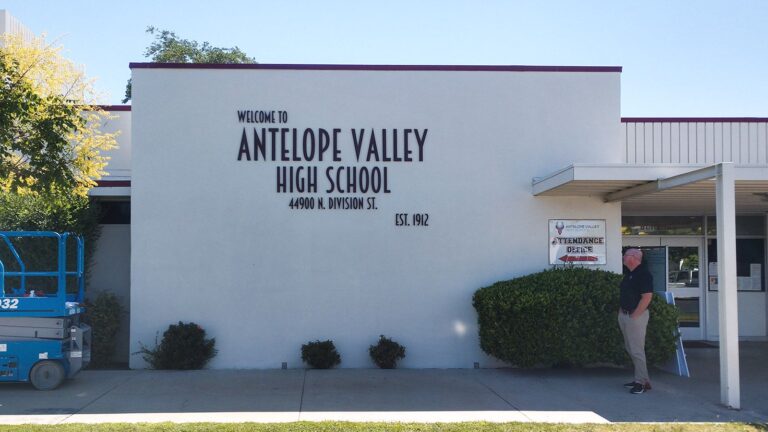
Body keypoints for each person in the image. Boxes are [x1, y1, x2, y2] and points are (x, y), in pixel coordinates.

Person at [618, 248, 653, 394]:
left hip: (635, 317)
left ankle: (642, 382)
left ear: (633, 257)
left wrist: (635, 315)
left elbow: (647, 297)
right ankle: (641, 379)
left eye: (625, 255)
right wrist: (621, 311)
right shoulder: (629, 274)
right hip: (625, 315)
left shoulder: (643, 274)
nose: (623, 258)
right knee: (630, 347)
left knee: (637, 350)